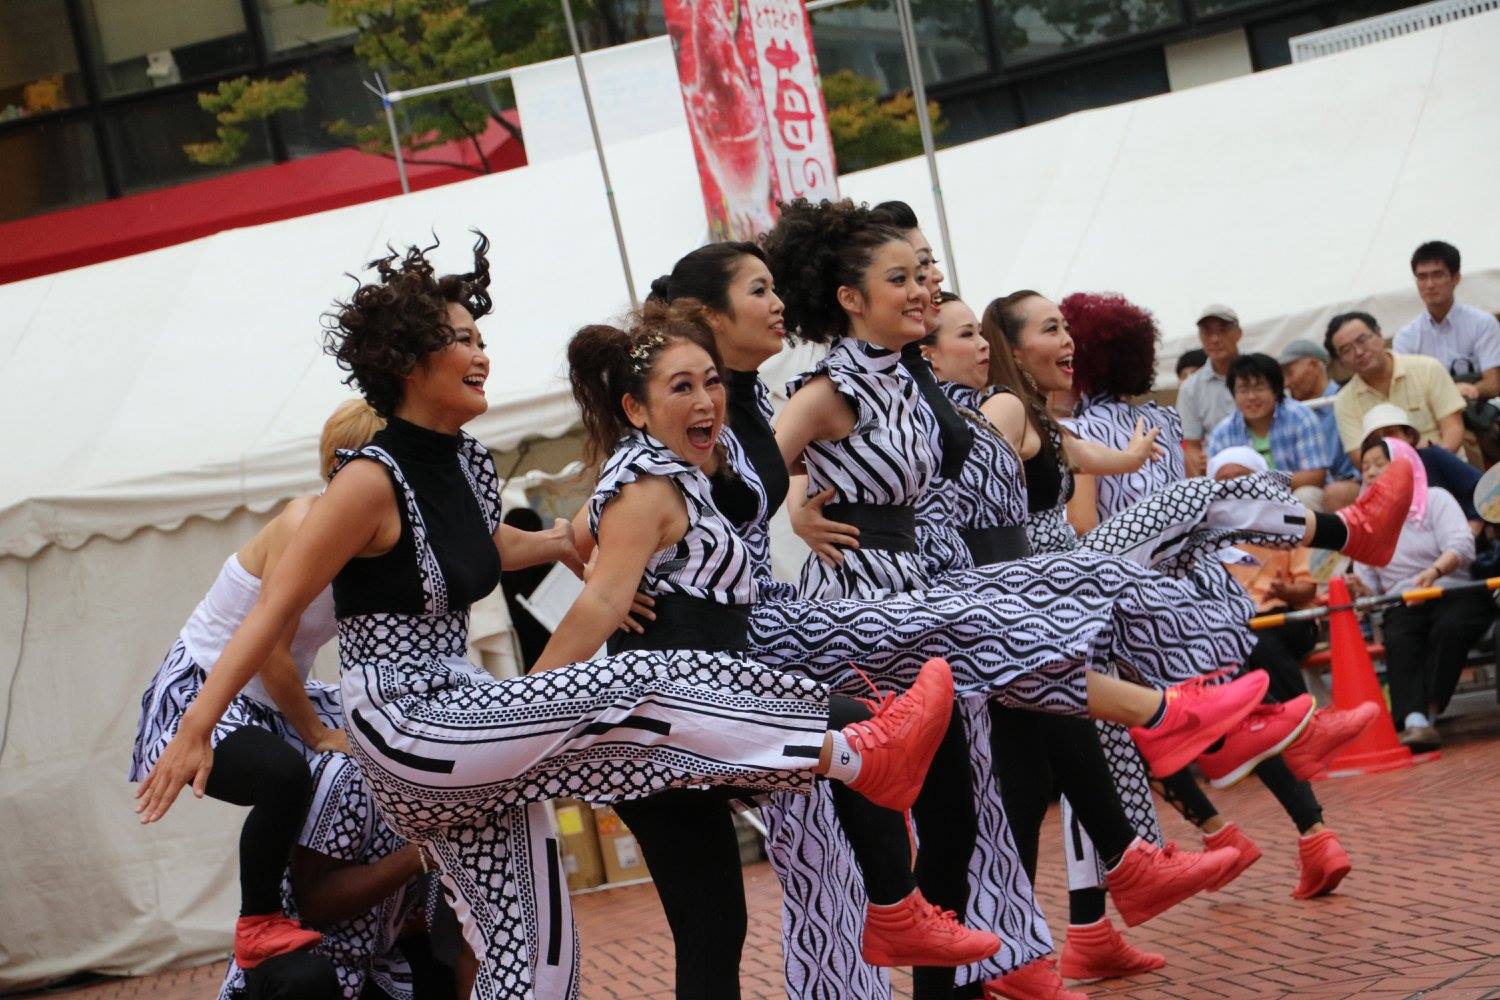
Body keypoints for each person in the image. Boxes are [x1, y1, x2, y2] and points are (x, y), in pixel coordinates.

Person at [134, 234, 965, 1000]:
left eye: (479, 337)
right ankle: (854, 748)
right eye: (462, 340)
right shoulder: (366, 481)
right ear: (408, 362)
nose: (482, 354)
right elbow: (272, 612)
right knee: (633, 683)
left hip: (462, 723)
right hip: (407, 720)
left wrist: (568, 541)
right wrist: (197, 727)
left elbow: (481, 546)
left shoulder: (466, 464)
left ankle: (861, 782)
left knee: (539, 961)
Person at [648, 235, 1272, 1000]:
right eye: (905, 276)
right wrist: (635, 567)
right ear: (850, 297)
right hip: (845, 602)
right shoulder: (817, 391)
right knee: (979, 680)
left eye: (925, 274)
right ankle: (1158, 741)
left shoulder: (856, 387)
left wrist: (794, 500)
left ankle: (1055, 894)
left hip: (909, 581)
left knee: (966, 809)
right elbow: (682, 497)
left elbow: (760, 481)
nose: (924, 288)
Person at [570, 300, 997, 1000]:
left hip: (705, 697)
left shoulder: (691, 465)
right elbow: (596, 593)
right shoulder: (644, 483)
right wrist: (528, 699)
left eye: (710, 381)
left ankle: (898, 911)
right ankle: (897, 911)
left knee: (713, 931)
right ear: (636, 409)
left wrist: (611, 568)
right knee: (861, 728)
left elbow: (586, 537)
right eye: (682, 387)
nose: (706, 399)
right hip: (671, 705)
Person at [980, 288, 1401, 976]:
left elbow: (1085, 488)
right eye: (1052, 329)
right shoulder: (1036, 413)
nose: (1068, 342)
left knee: (1103, 760)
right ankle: (1347, 539)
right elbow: (1056, 514)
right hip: (1090, 588)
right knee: (1201, 518)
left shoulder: (1059, 422)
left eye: (1070, 330)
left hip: (1106, 594)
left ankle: (1090, 926)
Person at [128, 398, 384, 969]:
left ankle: (344, 903)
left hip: (275, 698)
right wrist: (317, 733)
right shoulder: (302, 524)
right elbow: (269, 651)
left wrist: (554, 543)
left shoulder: (371, 539)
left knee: (383, 748)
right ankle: (258, 920)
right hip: (205, 690)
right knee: (283, 776)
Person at [1207, 447, 1375, 900]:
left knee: (1247, 694)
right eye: (1224, 481)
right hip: (1212, 634)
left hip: (1259, 627)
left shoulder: (1279, 523)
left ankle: (1233, 830)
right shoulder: (1204, 529)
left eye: (1243, 479)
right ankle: (1297, 818)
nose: (1233, 489)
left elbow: (1307, 588)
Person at [217, 751, 460, 1000]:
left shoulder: (458, 781)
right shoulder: (345, 773)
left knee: (454, 961)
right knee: (304, 980)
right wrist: (418, 854)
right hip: (311, 956)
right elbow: (314, 903)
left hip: (378, 964)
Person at [1353, 437, 1495, 751]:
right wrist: (1360, 589)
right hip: (1404, 600)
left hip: (1454, 588)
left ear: (1405, 466)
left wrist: (1433, 572)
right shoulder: (1366, 521)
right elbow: (1369, 583)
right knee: (1400, 635)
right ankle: (1414, 720)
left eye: (1379, 463)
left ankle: (1428, 711)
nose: (1371, 472)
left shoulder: (1436, 499)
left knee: (1449, 626)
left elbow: (1461, 545)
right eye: (1365, 467)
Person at [1327, 311, 1466, 463]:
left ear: (1380, 335)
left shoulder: (1428, 368)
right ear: (1340, 362)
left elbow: (1453, 430)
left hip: (1445, 463)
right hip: (1389, 474)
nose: (1359, 352)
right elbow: (1359, 457)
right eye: (1346, 350)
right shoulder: (1344, 400)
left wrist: (1429, 465)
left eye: (1362, 340)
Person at [1206, 352, 1332, 510]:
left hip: (1294, 494)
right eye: (1243, 390)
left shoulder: (1300, 417)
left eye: (1259, 388)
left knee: (1306, 495)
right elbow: (1214, 483)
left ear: (1276, 389)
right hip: (1245, 501)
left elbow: (1316, 474)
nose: (1251, 397)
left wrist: (1262, 485)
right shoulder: (1223, 432)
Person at [1395, 240, 1500, 402]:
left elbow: (1493, 384)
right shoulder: (1406, 337)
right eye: (1422, 277)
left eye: (1437, 275)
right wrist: (1452, 393)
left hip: (1478, 408)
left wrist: (1464, 392)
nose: (1429, 285)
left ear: (1456, 278)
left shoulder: (1483, 323)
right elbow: (1406, 391)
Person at [1358, 403, 1484, 529]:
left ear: (1409, 436)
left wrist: (1471, 529)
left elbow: (1482, 490)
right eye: (1376, 439)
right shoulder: (1372, 478)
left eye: (1390, 433)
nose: (1386, 442)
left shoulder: (1433, 456)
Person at [1278, 338, 1361, 508]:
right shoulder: (1291, 416)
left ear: (1314, 365)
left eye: (1290, 373)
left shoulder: (1348, 399)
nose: (1286, 383)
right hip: (1312, 490)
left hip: (1351, 487)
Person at [1177, 304, 1243, 477]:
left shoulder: (1259, 373)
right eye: (1207, 332)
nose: (1214, 339)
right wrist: (1198, 463)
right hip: (1217, 473)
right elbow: (1191, 445)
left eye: (1222, 330)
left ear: (1239, 333)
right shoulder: (1190, 388)